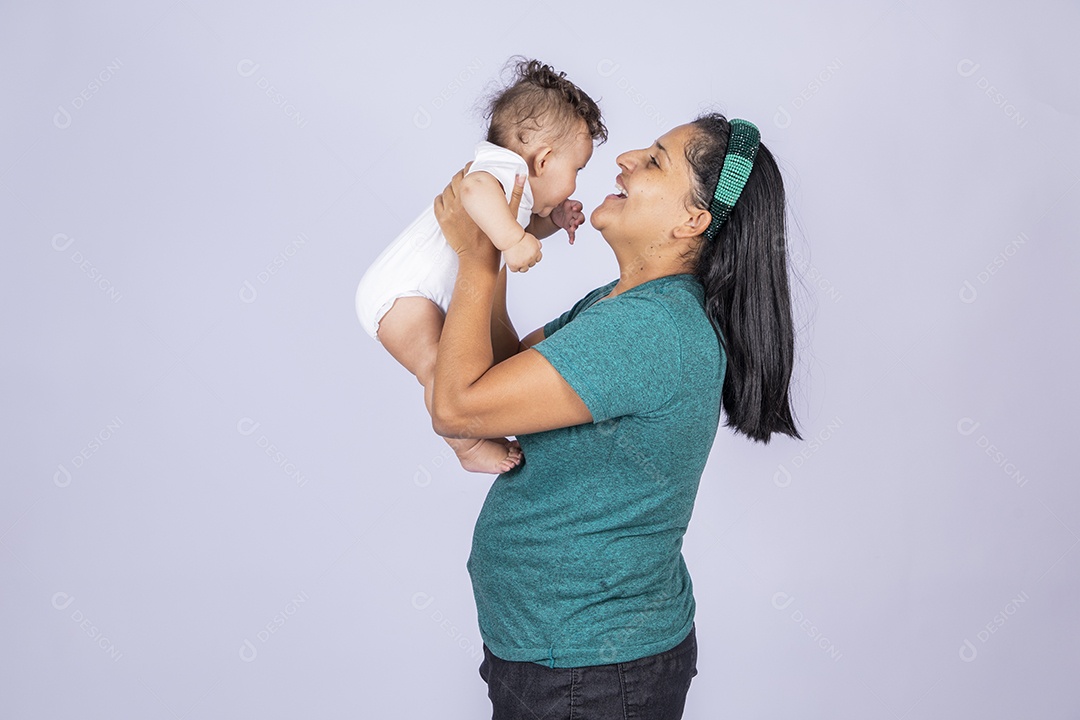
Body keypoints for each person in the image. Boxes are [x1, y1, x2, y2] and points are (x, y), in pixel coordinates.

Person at [429, 112, 803, 719]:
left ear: (693, 221)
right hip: (565, 658)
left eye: (655, 159)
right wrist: (496, 242)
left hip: (589, 673)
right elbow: (498, 370)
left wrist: (475, 255)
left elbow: (459, 406)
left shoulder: (650, 328)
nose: (625, 157)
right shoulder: (621, 303)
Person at [354, 58, 607, 475]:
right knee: (438, 365)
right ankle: (466, 445)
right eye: (577, 169)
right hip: (402, 292)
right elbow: (472, 189)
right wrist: (512, 241)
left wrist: (550, 222)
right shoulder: (502, 170)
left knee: (456, 362)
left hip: (420, 293)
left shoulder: (515, 189)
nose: (576, 183)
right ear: (542, 160)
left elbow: (512, 223)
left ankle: (469, 436)